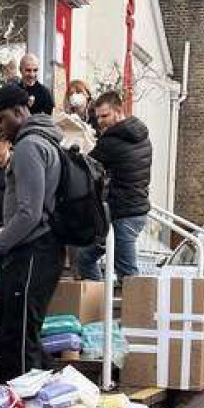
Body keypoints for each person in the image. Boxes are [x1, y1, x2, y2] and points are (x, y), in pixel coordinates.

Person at [0, 82, 64, 377]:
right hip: (38, 250)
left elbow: (29, 214)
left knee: (19, 341)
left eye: (1, 119)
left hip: (33, 252)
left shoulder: (28, 146)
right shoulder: (45, 140)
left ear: (20, 111)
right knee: (19, 336)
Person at [76, 88, 152, 282]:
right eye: (98, 116)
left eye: (105, 115)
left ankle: (135, 311)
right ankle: (97, 302)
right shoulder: (141, 134)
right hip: (135, 211)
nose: (100, 121)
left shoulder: (111, 141)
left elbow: (85, 167)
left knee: (127, 274)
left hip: (124, 213)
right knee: (86, 257)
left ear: (119, 111)